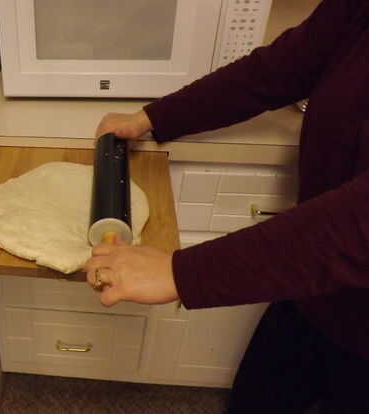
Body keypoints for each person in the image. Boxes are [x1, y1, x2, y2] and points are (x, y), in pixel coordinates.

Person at [84, 1, 369, 413]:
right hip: (312, 282)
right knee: (259, 395)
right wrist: (155, 117)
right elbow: (280, 68)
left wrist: (181, 272)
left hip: (355, 310)